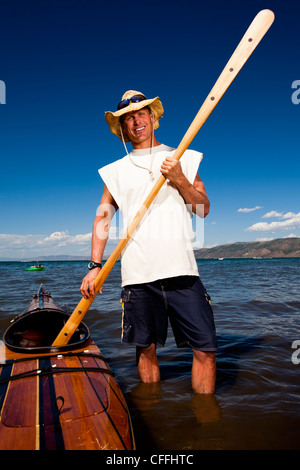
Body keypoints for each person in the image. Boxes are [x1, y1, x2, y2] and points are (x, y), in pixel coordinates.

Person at [80, 90, 217, 394]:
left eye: (141, 113)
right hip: (138, 276)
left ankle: (207, 424)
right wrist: (94, 266)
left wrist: (180, 179)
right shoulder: (115, 172)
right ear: (122, 129)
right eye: (128, 118)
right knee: (146, 350)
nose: (136, 120)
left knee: (205, 349)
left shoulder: (184, 156)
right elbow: (103, 218)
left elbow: (202, 209)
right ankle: (153, 417)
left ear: (153, 118)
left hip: (182, 271)